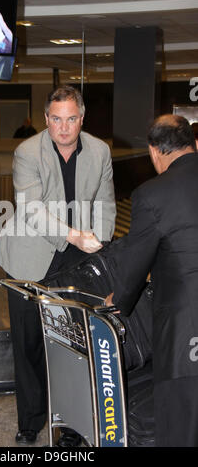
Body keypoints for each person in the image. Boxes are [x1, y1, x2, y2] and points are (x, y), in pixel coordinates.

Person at [0, 85, 116, 445]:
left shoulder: (99, 151)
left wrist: (100, 240)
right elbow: (32, 210)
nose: (63, 128)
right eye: (55, 119)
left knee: (72, 344)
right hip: (29, 257)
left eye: (71, 119)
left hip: (77, 259)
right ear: (47, 118)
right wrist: (75, 236)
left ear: (82, 118)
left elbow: (107, 203)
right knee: (30, 342)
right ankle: (30, 422)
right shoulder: (27, 151)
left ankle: (71, 424)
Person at [105, 114, 198, 447]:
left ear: (155, 152)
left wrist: (119, 300)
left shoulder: (152, 194)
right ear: (195, 144)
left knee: (181, 422)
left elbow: (134, 262)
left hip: (186, 330)